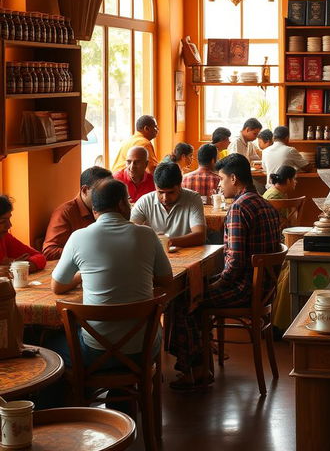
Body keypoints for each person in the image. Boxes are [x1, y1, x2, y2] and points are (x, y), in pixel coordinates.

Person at [168, 154, 281, 389]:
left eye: (221, 179)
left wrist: (211, 285)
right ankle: (200, 359)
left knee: (184, 299)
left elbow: (235, 265)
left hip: (244, 290)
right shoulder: (266, 204)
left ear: (234, 178)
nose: (218, 184)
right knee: (196, 292)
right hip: (265, 289)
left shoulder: (239, 209)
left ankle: (195, 372)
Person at [50, 179, 173, 366]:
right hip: (143, 350)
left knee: (48, 344)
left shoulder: (78, 238)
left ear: (94, 210)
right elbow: (166, 279)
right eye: (129, 200)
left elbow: (57, 286)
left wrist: (83, 275)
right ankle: (123, 389)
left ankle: (85, 389)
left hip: (95, 354)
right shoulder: (147, 234)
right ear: (122, 204)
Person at [43, 166, 112, 260]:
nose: (108, 197)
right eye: (102, 192)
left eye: (110, 192)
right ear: (84, 190)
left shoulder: (111, 207)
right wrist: (87, 252)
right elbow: (49, 251)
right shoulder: (65, 212)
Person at [131, 162, 206, 248]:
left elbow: (200, 236)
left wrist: (167, 241)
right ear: (155, 186)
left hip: (185, 256)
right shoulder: (145, 201)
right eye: (160, 192)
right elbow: (130, 231)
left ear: (180, 185)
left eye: (171, 192)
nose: (165, 198)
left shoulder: (193, 198)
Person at [0, 196, 45, 272]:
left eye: (9, 219)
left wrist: (19, 266)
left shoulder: (5, 237)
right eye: (2, 222)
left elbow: (40, 257)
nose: (9, 225)